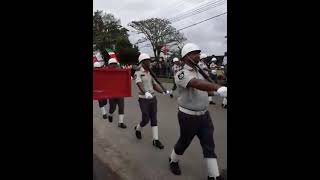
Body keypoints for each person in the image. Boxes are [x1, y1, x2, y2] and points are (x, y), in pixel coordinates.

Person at [168, 43, 227, 180]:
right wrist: (217, 88)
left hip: (204, 115)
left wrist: (218, 92)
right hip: (188, 116)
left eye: (198, 52)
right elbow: (196, 84)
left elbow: (206, 89)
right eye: (195, 53)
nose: (198, 55)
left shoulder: (201, 71)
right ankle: (173, 160)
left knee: (209, 144)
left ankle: (213, 175)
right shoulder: (181, 74)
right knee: (184, 142)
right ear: (186, 57)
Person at [133, 53, 170, 149]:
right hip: (143, 99)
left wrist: (163, 91)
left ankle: (155, 140)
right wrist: (145, 92)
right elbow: (139, 83)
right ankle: (138, 128)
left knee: (154, 118)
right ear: (142, 62)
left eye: (149, 60)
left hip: (153, 98)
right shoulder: (138, 72)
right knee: (145, 119)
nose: (149, 62)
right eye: (147, 61)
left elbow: (154, 85)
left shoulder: (150, 72)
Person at [106, 58, 127, 128]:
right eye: (112, 64)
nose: (114, 65)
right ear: (109, 65)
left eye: (115, 64)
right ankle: (110, 115)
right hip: (111, 93)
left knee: (121, 107)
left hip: (120, 92)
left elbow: (126, 78)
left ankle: (120, 123)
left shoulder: (120, 71)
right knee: (113, 108)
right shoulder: (105, 73)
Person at [93, 50, 109, 119]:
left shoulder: (103, 73)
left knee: (105, 102)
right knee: (101, 102)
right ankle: (104, 113)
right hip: (96, 90)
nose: (97, 69)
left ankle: (104, 109)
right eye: (96, 68)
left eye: (98, 68)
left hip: (103, 90)